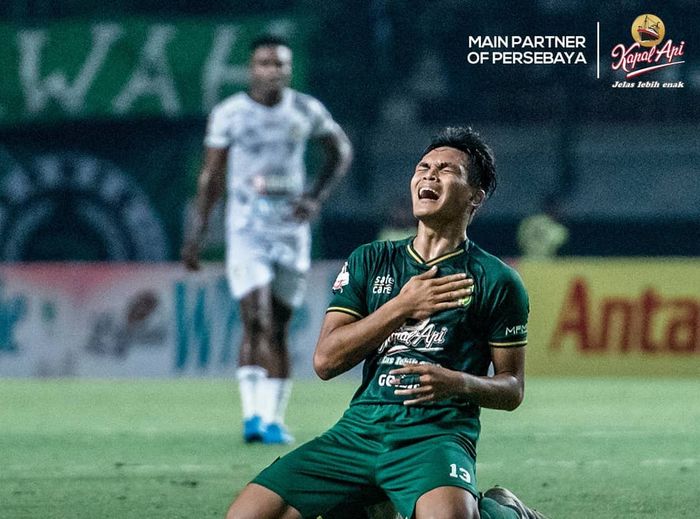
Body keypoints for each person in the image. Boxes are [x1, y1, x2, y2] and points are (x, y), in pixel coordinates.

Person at [225, 126, 548, 519]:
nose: (429, 175)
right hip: (359, 432)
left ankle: (503, 512)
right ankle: (375, 502)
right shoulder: (370, 260)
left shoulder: (497, 280)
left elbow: (512, 389)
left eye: (446, 170)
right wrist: (401, 306)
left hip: (435, 436)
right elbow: (325, 362)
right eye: (423, 167)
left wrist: (458, 383)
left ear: (475, 197)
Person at [181, 35, 353, 445]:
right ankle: (251, 418)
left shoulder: (305, 110)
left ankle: (273, 418)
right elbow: (211, 176)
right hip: (247, 232)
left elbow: (340, 151)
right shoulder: (231, 114)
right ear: (250, 69)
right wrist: (198, 232)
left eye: (279, 64)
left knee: (278, 327)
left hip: (291, 233)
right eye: (264, 63)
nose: (272, 70)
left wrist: (315, 197)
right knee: (254, 317)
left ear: (288, 69)